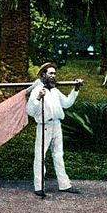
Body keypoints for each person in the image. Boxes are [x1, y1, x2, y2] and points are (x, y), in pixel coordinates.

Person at [26, 62, 83, 197]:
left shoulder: (55, 91)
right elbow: (29, 111)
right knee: (40, 156)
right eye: (50, 73)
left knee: (58, 155)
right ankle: (39, 186)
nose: (53, 76)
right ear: (43, 75)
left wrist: (76, 89)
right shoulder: (37, 90)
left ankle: (64, 185)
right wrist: (38, 98)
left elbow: (67, 104)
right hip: (44, 126)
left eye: (54, 73)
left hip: (57, 125)